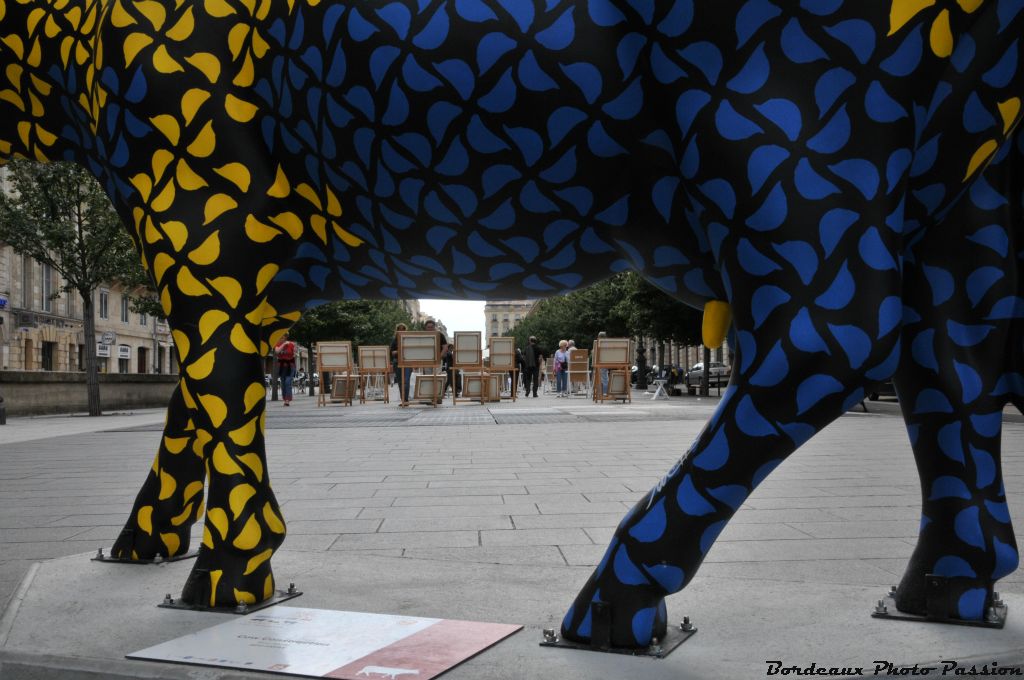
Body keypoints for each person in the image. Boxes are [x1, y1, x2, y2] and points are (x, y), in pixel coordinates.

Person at [390, 322, 412, 402]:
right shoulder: (394, 340)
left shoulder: (409, 339)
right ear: (397, 330)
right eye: (399, 329)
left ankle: (405, 399)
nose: (401, 331)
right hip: (397, 362)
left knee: (406, 381)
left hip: (408, 362)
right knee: (400, 381)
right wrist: (400, 351)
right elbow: (392, 352)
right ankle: (403, 399)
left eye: (403, 329)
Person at [274, 332, 297, 406]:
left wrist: (294, 352)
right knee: (283, 383)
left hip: (290, 365)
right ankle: (285, 399)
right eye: (280, 338)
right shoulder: (277, 344)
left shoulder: (291, 344)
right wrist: (283, 344)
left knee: (287, 382)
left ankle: (287, 400)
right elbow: (277, 351)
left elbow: (295, 353)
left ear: (286, 337)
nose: (281, 339)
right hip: (281, 366)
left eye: (282, 337)